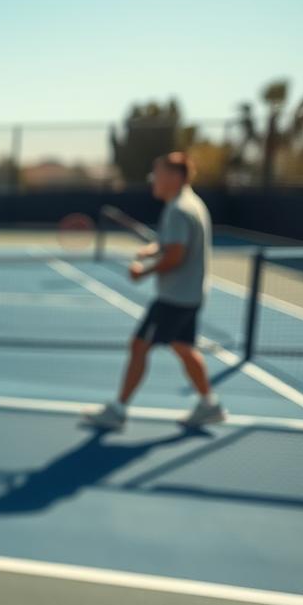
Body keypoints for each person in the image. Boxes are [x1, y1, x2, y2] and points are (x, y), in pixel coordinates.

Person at [82, 151, 225, 432]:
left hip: (174, 298)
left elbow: (175, 256)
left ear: (174, 176)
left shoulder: (178, 210)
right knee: (184, 347)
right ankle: (209, 405)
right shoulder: (192, 204)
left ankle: (118, 410)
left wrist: (142, 271)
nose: (153, 181)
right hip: (191, 296)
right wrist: (152, 249)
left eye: (157, 174)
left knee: (139, 346)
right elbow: (170, 245)